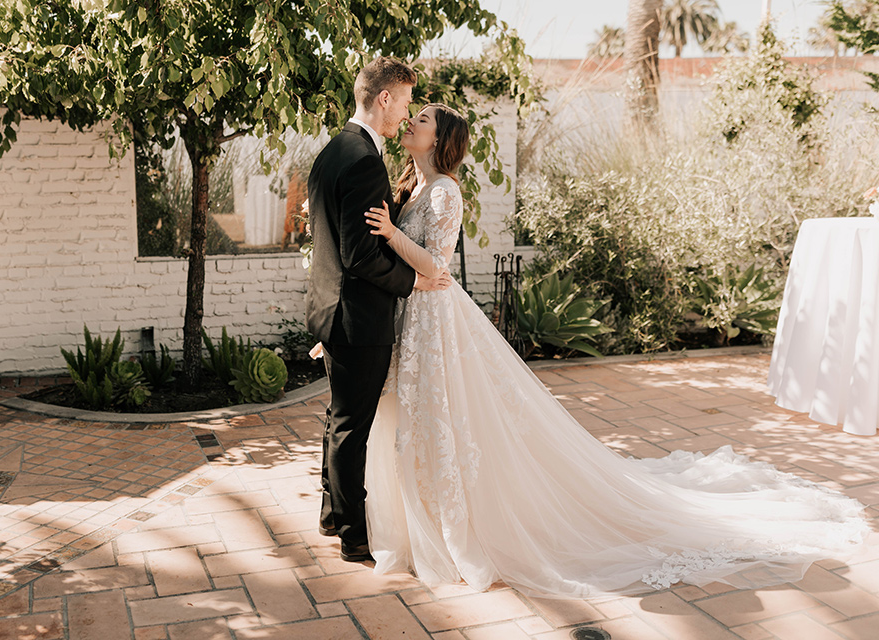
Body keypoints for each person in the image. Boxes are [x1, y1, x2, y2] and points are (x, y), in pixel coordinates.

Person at [361, 102, 868, 598]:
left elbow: (438, 265)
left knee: (443, 416)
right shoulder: (413, 187)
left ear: (441, 138)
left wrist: (388, 232)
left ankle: (457, 528)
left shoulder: (447, 192)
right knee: (422, 417)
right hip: (416, 317)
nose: (411, 122)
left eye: (422, 119)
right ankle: (419, 522)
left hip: (436, 320)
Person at [305, 58, 453, 563]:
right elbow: (360, 255)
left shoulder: (332, 151)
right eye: (407, 101)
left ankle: (330, 513)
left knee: (338, 417)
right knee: (352, 426)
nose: (407, 113)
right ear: (385, 98)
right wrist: (416, 281)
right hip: (358, 317)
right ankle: (353, 534)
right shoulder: (365, 159)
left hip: (333, 309)